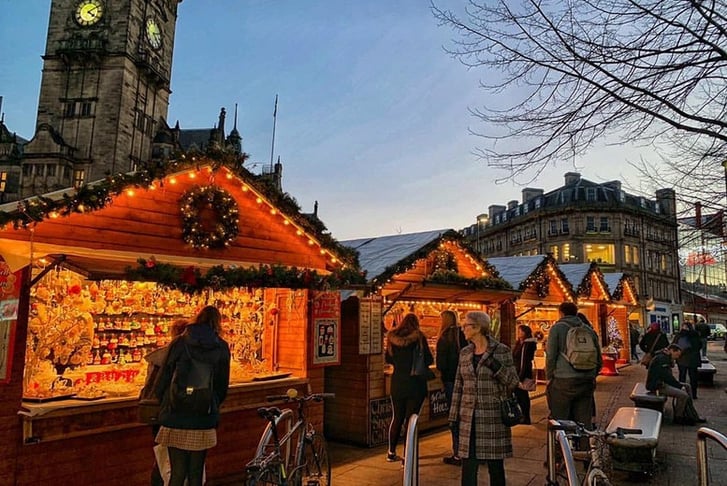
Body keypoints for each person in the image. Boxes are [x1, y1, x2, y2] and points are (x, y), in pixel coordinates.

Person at [155, 306, 231, 486]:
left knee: (177, 472)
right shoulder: (221, 347)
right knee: (196, 473)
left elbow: (162, 379)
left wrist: (166, 402)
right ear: (218, 323)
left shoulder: (179, 343)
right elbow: (222, 386)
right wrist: (210, 402)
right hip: (203, 417)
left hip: (176, 414)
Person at [449, 311, 520, 486]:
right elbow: (459, 384)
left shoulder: (501, 350)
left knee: (495, 467)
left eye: (465, 325)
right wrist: (453, 416)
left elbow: (512, 381)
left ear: (478, 327)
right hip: (468, 418)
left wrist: (495, 366)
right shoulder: (465, 353)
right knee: (468, 466)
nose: (462, 329)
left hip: (492, 417)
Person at [143, 319, 189, 486]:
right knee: (181, 459)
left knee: (162, 454)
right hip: (182, 414)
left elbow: (151, 385)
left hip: (160, 413)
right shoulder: (191, 356)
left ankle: (159, 482)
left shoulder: (158, 357)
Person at [546, 302, 602, 433]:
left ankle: (563, 449)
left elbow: (551, 355)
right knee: (584, 419)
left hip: (563, 380)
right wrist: (593, 374)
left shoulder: (557, 328)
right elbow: (598, 357)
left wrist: (549, 377)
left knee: (561, 420)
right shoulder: (589, 329)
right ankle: (584, 448)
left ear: (561, 313)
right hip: (586, 379)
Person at [385, 313, 433, 463]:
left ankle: (391, 452)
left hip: (398, 382)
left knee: (397, 418)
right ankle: (408, 457)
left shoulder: (392, 338)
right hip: (415, 384)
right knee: (411, 421)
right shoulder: (419, 338)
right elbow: (429, 359)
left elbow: (388, 359)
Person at [646, 344, 706, 425]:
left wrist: (679, 385)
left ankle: (692, 414)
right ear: (671, 351)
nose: (677, 357)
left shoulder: (665, 357)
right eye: (677, 354)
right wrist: (679, 386)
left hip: (662, 382)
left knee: (687, 386)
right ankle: (679, 417)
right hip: (657, 385)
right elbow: (667, 377)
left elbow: (668, 377)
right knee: (683, 395)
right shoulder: (662, 359)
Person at [436, 310, 467, 466]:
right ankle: (469, 451)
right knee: (466, 417)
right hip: (464, 379)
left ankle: (457, 453)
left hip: (450, 380)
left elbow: (440, 363)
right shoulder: (463, 335)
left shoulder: (444, 337)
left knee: (454, 417)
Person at [512, 324, 537, 425]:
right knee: (520, 395)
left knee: (522, 395)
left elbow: (524, 361)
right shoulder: (519, 343)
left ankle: (525, 417)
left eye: (521, 331)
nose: (519, 333)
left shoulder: (527, 344)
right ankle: (523, 415)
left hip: (522, 372)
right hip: (518, 371)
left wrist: (520, 376)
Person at [673, 322, 701, 399]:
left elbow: (675, 345)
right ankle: (694, 394)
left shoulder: (680, 335)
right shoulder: (695, 335)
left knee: (682, 376)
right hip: (693, 360)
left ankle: (681, 393)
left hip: (682, 359)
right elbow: (699, 346)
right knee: (693, 378)